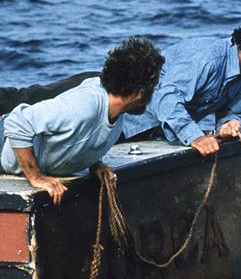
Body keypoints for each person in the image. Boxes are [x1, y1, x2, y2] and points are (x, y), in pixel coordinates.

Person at [0, 37, 164, 205]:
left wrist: (94, 163)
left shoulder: (116, 111)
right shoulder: (83, 105)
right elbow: (18, 123)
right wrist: (36, 177)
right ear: (139, 92)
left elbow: (83, 134)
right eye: (154, 85)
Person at [121, 18, 241, 156]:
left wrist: (231, 124)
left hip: (157, 137)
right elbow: (167, 97)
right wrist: (195, 137)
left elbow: (237, 113)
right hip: (125, 124)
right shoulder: (207, 59)